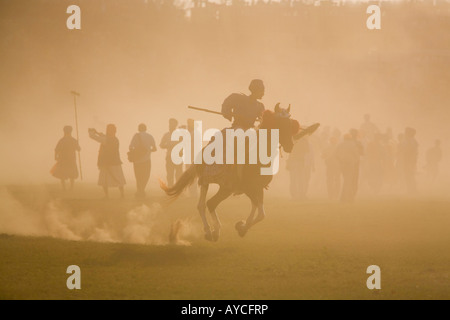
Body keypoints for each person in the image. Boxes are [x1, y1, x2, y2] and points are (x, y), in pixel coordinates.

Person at [220, 79, 266, 191]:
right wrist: (228, 113)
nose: (263, 93)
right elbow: (225, 106)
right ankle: (232, 172)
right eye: (262, 91)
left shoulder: (260, 106)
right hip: (238, 128)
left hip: (250, 130)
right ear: (255, 90)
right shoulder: (239, 98)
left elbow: (262, 121)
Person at [89, 124, 126, 199]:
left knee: (104, 179)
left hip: (106, 162)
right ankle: (122, 194)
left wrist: (91, 132)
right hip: (115, 161)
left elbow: (94, 137)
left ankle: (107, 195)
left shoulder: (106, 139)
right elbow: (103, 136)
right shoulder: (115, 139)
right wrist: (96, 132)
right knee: (119, 178)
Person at [129, 123, 157, 199]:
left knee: (138, 177)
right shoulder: (150, 136)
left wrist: (136, 152)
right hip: (147, 160)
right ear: (146, 128)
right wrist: (148, 151)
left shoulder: (136, 136)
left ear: (138, 129)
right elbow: (155, 149)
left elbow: (131, 146)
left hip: (137, 161)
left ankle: (140, 191)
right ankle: (141, 190)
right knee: (145, 176)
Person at [336, 129, 364, 203]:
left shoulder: (341, 144)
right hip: (352, 164)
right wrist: (356, 160)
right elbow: (358, 154)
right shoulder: (354, 144)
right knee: (349, 181)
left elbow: (336, 154)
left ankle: (346, 197)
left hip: (343, 164)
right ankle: (348, 197)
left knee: (347, 180)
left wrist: (340, 160)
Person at [51, 125, 80, 191]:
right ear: (71, 131)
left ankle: (64, 188)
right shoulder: (73, 140)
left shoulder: (62, 140)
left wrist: (55, 157)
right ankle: (71, 188)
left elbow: (56, 150)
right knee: (71, 173)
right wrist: (78, 146)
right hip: (71, 159)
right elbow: (78, 149)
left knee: (62, 174)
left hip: (63, 159)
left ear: (64, 131)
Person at [287, 136, 314, 200]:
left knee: (296, 179)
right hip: (297, 161)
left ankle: (297, 195)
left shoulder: (294, 140)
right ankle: (299, 194)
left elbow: (289, 152)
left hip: (297, 161)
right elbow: (306, 151)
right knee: (298, 179)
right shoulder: (303, 141)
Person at [160, 118, 183, 188]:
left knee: (178, 174)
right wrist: (168, 146)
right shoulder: (166, 135)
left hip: (178, 156)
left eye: (172, 124)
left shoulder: (180, 134)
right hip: (169, 156)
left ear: (175, 125)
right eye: (170, 124)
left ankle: (178, 188)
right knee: (170, 174)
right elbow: (161, 145)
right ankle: (170, 188)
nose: (170, 126)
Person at [322, 135, 341, 200]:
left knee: (330, 181)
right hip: (337, 166)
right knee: (337, 180)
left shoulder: (327, 148)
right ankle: (336, 194)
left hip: (330, 166)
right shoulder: (339, 148)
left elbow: (322, 156)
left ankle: (330, 195)